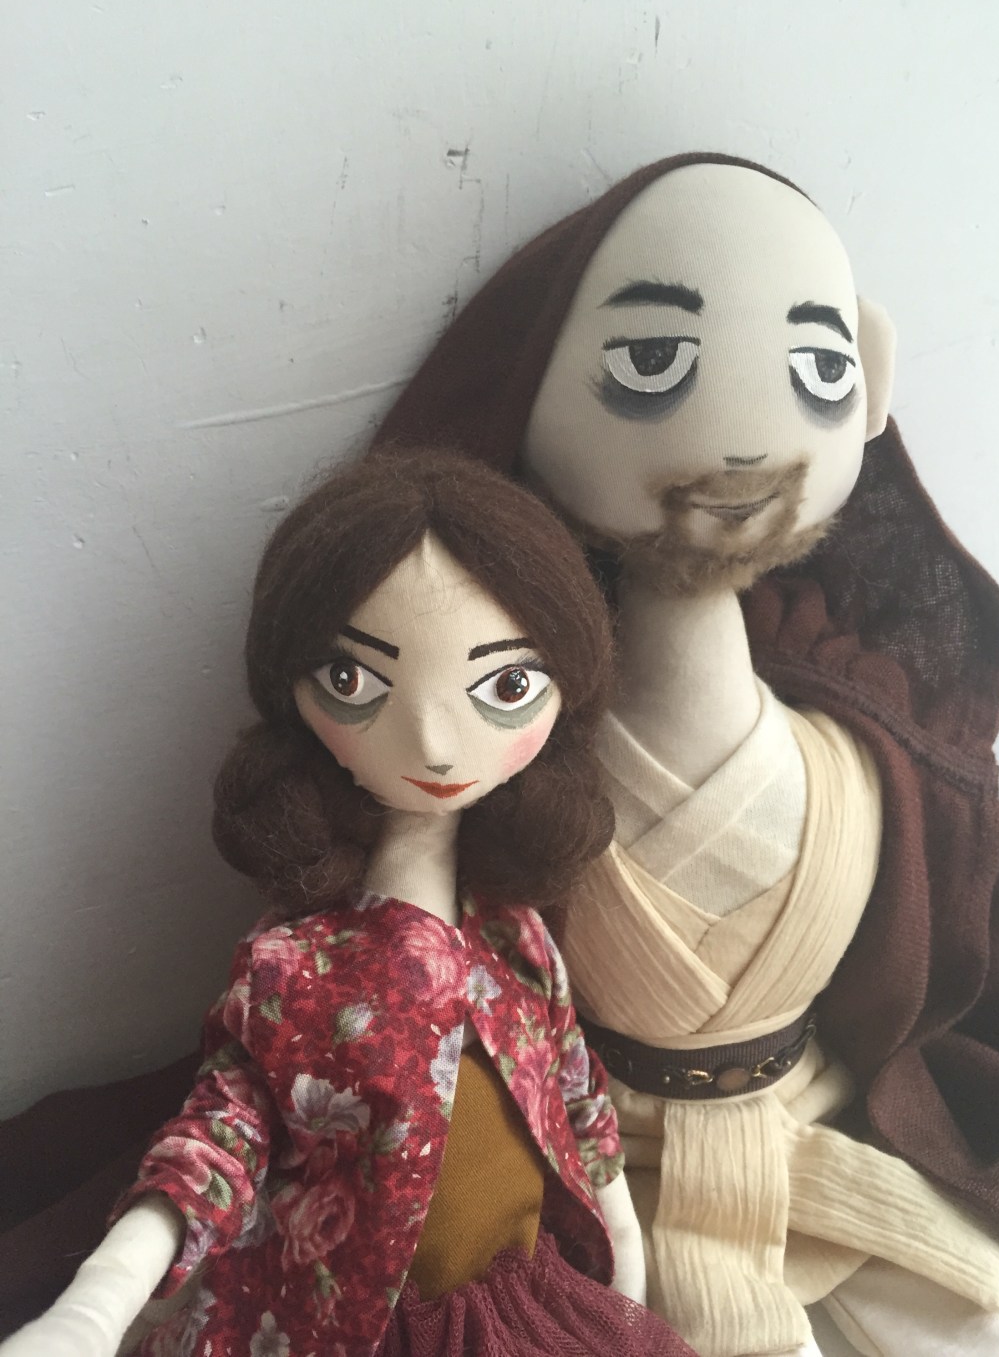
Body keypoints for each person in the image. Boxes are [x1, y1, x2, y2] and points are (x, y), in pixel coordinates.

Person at [369, 155, 999, 1356]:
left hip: (805, 1121)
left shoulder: (862, 746)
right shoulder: (509, 761)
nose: (744, 445)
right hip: (600, 1160)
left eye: (818, 368)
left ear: (871, 380)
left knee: (980, 1321)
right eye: (649, 362)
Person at [0, 449, 696, 1357]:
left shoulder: (518, 937)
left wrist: (625, 1253)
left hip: (525, 1303)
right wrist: (95, 1305)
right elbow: (217, 1143)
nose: (435, 742)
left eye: (506, 685)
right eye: (353, 681)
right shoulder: (292, 970)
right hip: (367, 1328)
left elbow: (579, 1095)